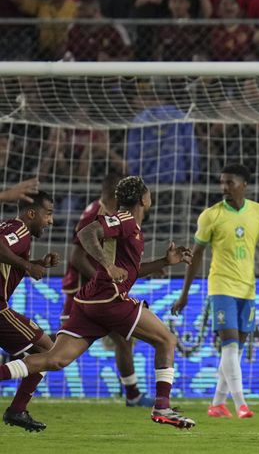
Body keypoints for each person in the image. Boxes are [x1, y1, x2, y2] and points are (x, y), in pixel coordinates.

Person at [0, 177, 196, 428]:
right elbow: (87, 232)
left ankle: (15, 401)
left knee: (55, 359)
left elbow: (129, 272)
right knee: (166, 340)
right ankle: (162, 407)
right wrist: (106, 265)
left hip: (90, 301)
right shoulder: (124, 219)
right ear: (144, 199)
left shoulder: (132, 227)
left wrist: (164, 262)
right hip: (109, 298)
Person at [171, 164, 259, 419]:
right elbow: (196, 256)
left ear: (244, 185)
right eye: (222, 182)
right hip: (220, 286)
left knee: (236, 350)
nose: (224, 187)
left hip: (247, 288)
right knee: (230, 345)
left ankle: (217, 404)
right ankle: (241, 404)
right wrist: (184, 293)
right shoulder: (211, 215)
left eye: (230, 182)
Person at [60, 173, 154, 408]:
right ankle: (19, 351)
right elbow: (77, 257)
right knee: (55, 351)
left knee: (122, 340)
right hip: (86, 291)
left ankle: (133, 394)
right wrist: (106, 276)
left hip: (99, 292)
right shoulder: (97, 215)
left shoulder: (109, 215)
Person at [0, 191, 59, 432]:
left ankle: (18, 410)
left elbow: (7, 258)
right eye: (48, 214)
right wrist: (27, 265)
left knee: (44, 350)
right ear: (31, 213)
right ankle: (17, 410)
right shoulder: (21, 230)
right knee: (48, 350)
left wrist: (36, 263)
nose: (51, 221)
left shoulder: (14, 230)